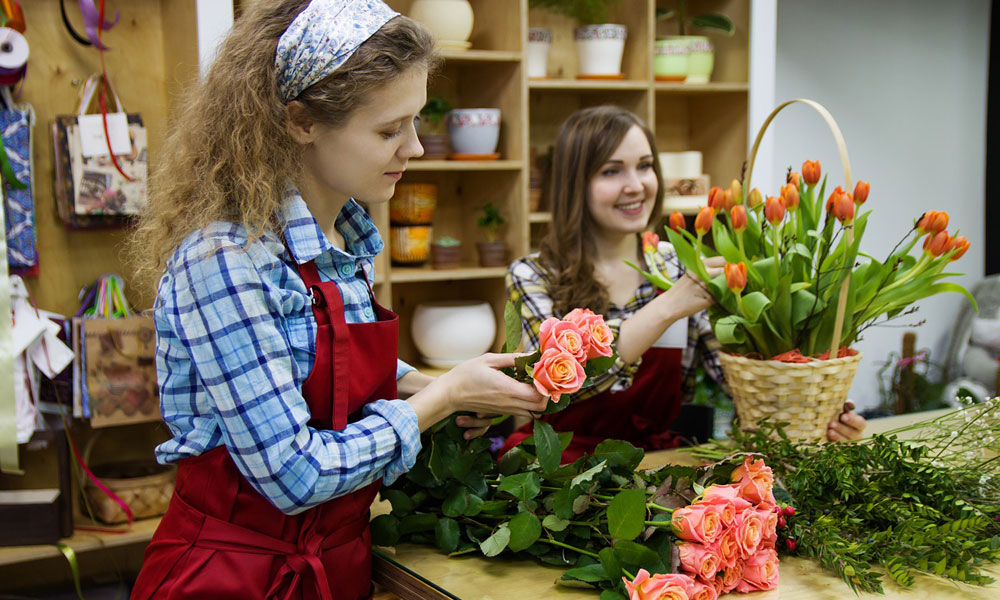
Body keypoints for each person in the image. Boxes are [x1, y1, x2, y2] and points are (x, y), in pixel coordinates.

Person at [127, 2, 545, 598]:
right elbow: (294, 475)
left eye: (416, 122)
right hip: (233, 576)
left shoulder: (340, 244)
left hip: (338, 565)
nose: (417, 149)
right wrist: (442, 399)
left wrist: (429, 386)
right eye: (388, 130)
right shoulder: (222, 261)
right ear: (301, 121)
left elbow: (322, 361)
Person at [501, 106, 866, 462]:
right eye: (611, 171)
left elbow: (737, 378)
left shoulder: (679, 263)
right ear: (574, 183)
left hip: (659, 465)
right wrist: (667, 306)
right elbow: (543, 391)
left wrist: (820, 412)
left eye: (645, 166)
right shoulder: (533, 275)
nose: (636, 185)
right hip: (557, 469)